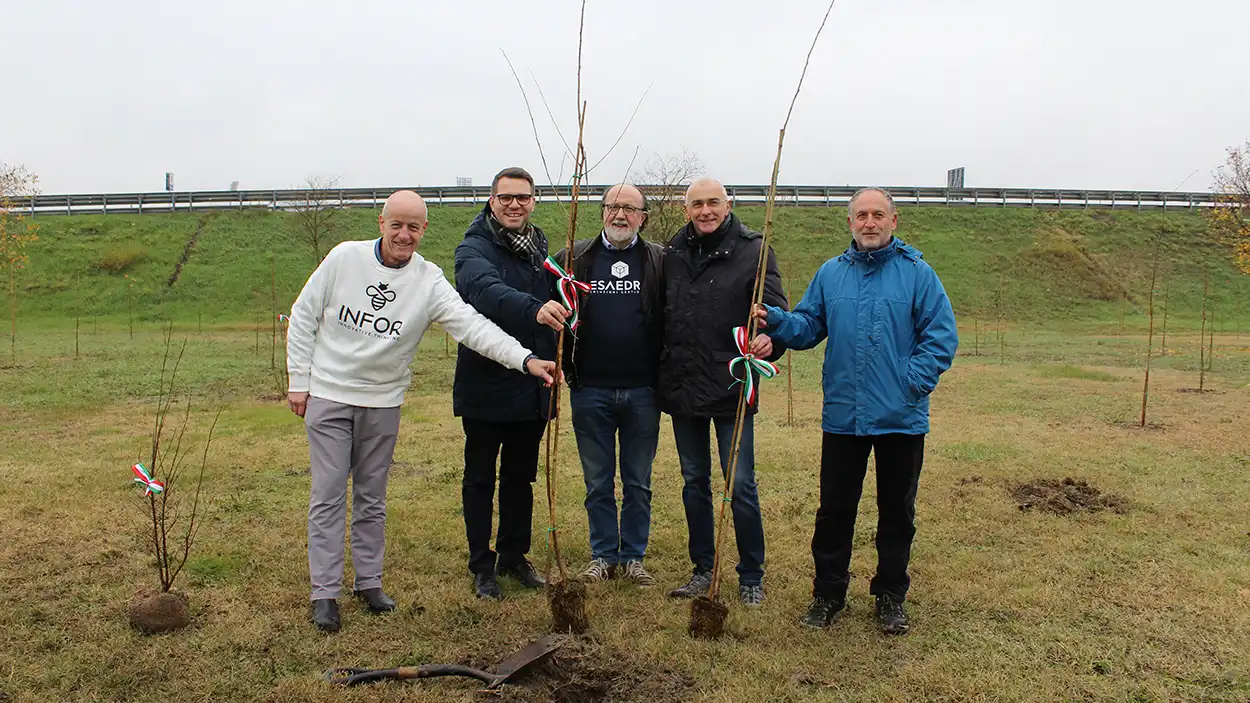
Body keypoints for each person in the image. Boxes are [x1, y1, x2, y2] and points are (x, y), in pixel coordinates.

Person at [286, 190, 558, 633]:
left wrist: (525, 359)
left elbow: (473, 327)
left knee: (372, 498)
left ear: (423, 230)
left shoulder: (428, 281)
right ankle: (325, 594)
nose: (404, 234)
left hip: (383, 401)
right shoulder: (343, 259)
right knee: (330, 495)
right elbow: (303, 316)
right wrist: (300, 381)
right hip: (330, 395)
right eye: (396, 224)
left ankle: (369, 583)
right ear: (381, 222)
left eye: (413, 227)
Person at [751, 186, 958, 634]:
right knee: (834, 510)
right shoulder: (831, 274)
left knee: (896, 511)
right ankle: (828, 594)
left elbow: (941, 337)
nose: (869, 222)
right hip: (844, 417)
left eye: (877, 215)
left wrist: (911, 383)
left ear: (893, 220)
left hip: (900, 418)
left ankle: (889, 595)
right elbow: (809, 326)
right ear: (850, 222)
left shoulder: (918, 275)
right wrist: (778, 320)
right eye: (861, 215)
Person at [658, 177, 788, 607]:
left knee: (741, 484)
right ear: (685, 209)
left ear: (727, 204)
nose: (706, 210)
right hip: (683, 385)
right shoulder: (671, 254)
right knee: (694, 481)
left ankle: (751, 574)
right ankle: (701, 568)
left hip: (732, 385)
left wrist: (771, 339)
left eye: (713, 202)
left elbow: (775, 314)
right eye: (697, 204)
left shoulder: (755, 250)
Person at [453, 167, 568, 601]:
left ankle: (514, 555)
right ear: (492, 200)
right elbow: (483, 290)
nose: (514, 204)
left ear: (533, 201)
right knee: (480, 477)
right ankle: (482, 565)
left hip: (534, 383)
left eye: (523, 197)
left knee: (521, 477)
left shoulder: (540, 249)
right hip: (486, 385)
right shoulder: (474, 247)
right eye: (506, 198)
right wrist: (536, 310)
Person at [553, 183, 664, 586]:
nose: (620, 215)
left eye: (630, 209)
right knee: (597, 480)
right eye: (613, 207)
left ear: (643, 217)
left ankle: (633, 556)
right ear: (601, 212)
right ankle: (603, 554)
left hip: (642, 391)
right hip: (590, 389)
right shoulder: (575, 258)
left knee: (638, 481)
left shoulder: (658, 260)